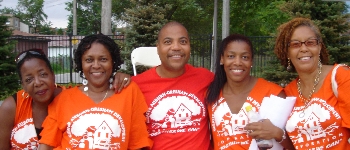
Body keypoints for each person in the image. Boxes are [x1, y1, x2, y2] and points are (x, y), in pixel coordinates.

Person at [36, 34, 151, 149]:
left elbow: (139, 143)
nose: (96, 65)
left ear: (113, 62)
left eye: (103, 59)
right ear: (81, 63)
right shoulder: (64, 99)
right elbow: (46, 144)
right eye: (89, 60)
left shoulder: (128, 92)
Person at [0, 48, 131, 149]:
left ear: (53, 75)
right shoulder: (12, 107)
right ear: (23, 85)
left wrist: (119, 76)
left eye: (43, 74)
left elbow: (99, 91)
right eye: (29, 79)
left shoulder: (71, 98)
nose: (38, 82)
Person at [132, 21, 214, 149]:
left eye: (183, 41)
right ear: (158, 48)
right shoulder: (136, 85)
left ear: (189, 46)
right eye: (168, 42)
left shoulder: (206, 78)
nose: (176, 47)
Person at [205, 34, 295, 150]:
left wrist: (277, 133)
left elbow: (296, 144)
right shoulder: (211, 95)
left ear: (251, 61)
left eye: (245, 57)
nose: (237, 62)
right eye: (231, 56)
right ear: (222, 59)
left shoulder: (273, 93)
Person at [274, 17, 350, 149]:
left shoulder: (341, 77)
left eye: (310, 42)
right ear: (287, 52)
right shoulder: (288, 93)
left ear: (319, 47)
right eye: (295, 44)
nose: (304, 48)